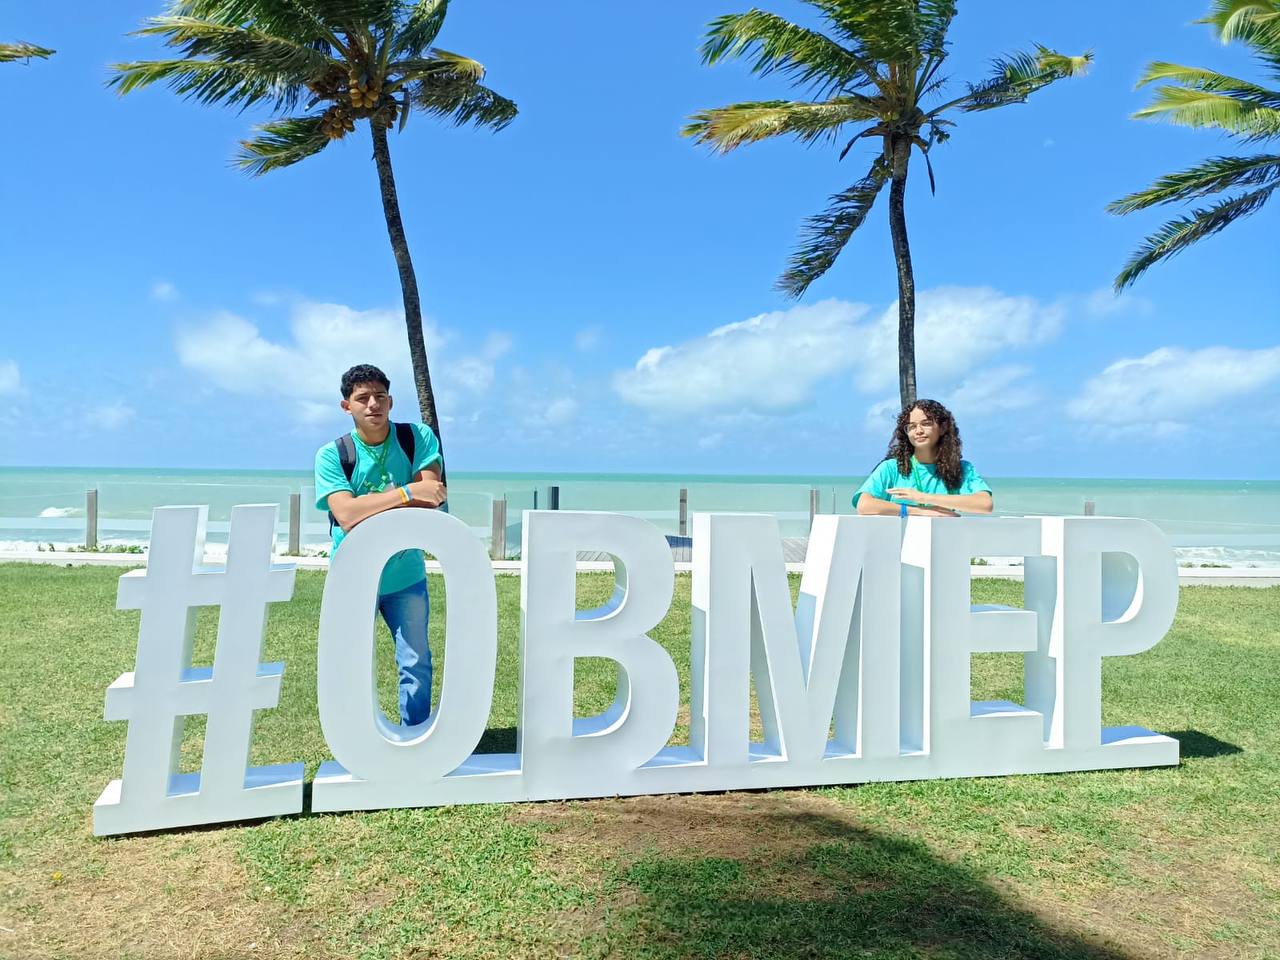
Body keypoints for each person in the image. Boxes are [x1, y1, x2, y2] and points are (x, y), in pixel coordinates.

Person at [313, 364, 447, 727]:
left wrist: (370, 504)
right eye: (363, 398)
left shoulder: (415, 437)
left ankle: (415, 736)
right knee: (351, 661)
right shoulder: (332, 454)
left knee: (416, 661)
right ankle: (357, 738)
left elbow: (432, 496)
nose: (373, 404)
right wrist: (405, 491)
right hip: (354, 575)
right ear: (347, 407)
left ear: (391, 401)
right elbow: (345, 515)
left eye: (380, 396)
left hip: (407, 574)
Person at [853, 398, 993, 517]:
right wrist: (919, 511)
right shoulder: (891, 468)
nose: (918, 431)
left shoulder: (961, 468)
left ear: (943, 428)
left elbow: (985, 504)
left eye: (926, 424)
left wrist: (922, 497)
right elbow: (864, 504)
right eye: (912, 427)